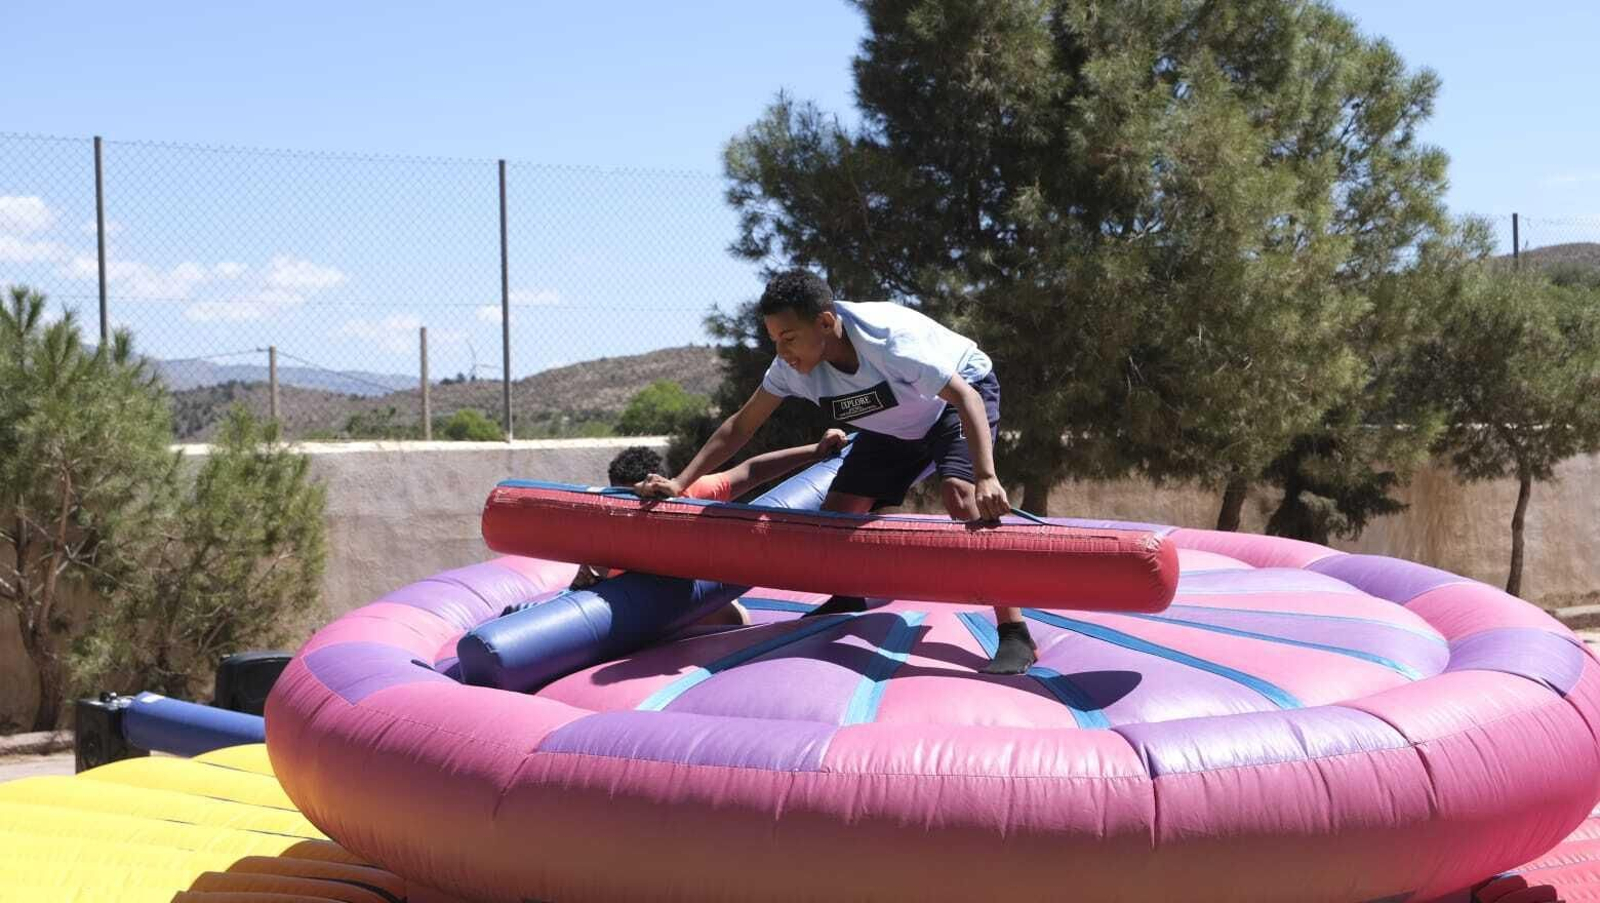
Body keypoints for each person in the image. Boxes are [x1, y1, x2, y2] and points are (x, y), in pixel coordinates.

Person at [635, 269, 1036, 674]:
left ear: (825, 322)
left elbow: (966, 397)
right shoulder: (789, 368)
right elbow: (741, 426)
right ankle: (848, 597)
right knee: (838, 511)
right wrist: (679, 482)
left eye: (789, 338)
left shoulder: (889, 341)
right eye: (774, 340)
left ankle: (1014, 631)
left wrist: (986, 475)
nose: (783, 351)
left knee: (960, 495)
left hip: (957, 398)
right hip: (895, 422)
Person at [572, 438, 845, 625]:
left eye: (643, 496)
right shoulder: (612, 526)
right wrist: (587, 583)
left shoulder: (690, 495)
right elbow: (592, 582)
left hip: (699, 606)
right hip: (651, 611)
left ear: (663, 485)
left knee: (733, 618)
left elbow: (751, 471)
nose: (636, 506)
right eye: (627, 497)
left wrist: (815, 451)